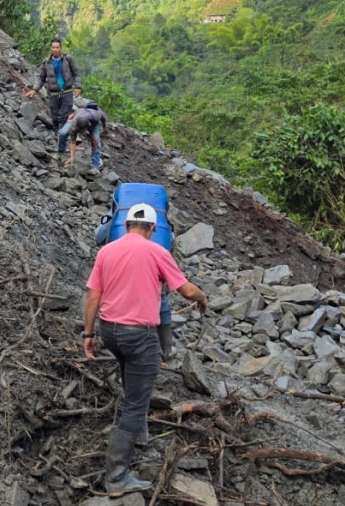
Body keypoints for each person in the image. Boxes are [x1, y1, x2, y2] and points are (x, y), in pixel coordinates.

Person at [82, 203, 208, 496]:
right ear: (152, 228)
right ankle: (116, 476)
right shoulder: (157, 252)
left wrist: (88, 334)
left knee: (131, 381)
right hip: (139, 335)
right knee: (137, 403)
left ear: (126, 225)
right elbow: (186, 290)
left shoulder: (106, 251)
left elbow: (92, 296)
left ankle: (137, 435)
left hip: (109, 331)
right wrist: (202, 297)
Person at [23, 38, 80, 152]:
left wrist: (77, 86)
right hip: (53, 94)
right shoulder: (46, 62)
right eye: (53, 47)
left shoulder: (67, 59)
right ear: (51, 48)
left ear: (61, 48)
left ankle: (61, 147)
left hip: (67, 92)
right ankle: (59, 136)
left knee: (63, 117)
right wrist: (35, 90)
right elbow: (41, 78)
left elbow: (76, 73)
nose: (55, 49)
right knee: (54, 118)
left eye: (57, 47)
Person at [61, 101, 108, 169]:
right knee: (64, 132)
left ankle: (96, 163)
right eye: (80, 130)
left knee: (95, 141)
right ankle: (61, 149)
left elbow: (103, 117)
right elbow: (72, 142)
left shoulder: (96, 116)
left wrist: (104, 127)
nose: (82, 132)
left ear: (88, 125)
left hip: (94, 122)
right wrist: (72, 157)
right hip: (79, 114)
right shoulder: (73, 126)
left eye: (83, 130)